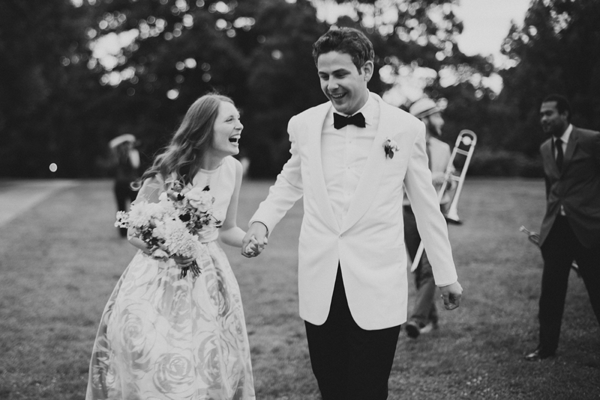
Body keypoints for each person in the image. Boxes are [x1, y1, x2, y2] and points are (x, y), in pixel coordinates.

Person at [242, 27, 463, 400]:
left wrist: (446, 275)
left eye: (340, 74)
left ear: (367, 70)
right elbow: (289, 182)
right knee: (330, 385)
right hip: (320, 280)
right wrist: (262, 222)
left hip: (377, 282)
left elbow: (427, 207)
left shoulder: (405, 128)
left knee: (369, 388)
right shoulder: (303, 124)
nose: (331, 85)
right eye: (323, 75)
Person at [87, 94, 257, 399]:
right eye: (230, 119)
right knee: (156, 354)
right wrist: (169, 248)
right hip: (159, 277)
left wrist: (249, 239)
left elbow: (227, 229)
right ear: (204, 128)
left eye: (239, 118)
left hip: (210, 278)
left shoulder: (233, 169)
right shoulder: (169, 169)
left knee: (209, 359)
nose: (240, 125)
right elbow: (134, 232)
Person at [525, 94, 600, 361]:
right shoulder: (545, 147)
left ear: (565, 114)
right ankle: (546, 348)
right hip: (557, 229)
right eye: (541, 114)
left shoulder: (591, 140)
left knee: (596, 288)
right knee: (551, 292)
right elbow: (552, 189)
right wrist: (547, 224)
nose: (543, 118)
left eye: (549, 113)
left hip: (587, 228)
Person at [403, 97, 453, 339]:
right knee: (417, 266)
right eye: (437, 116)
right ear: (424, 119)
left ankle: (417, 319)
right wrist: (430, 178)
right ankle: (430, 318)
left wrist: (449, 182)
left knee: (430, 266)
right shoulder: (404, 145)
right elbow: (396, 182)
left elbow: (450, 183)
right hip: (408, 210)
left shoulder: (444, 148)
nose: (441, 121)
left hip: (436, 210)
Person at [109, 134, 141, 238]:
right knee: (121, 209)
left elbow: (136, 165)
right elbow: (112, 144)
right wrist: (126, 137)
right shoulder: (118, 154)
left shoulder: (133, 153)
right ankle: (123, 232)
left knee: (133, 208)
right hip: (121, 184)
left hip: (130, 184)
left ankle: (133, 229)